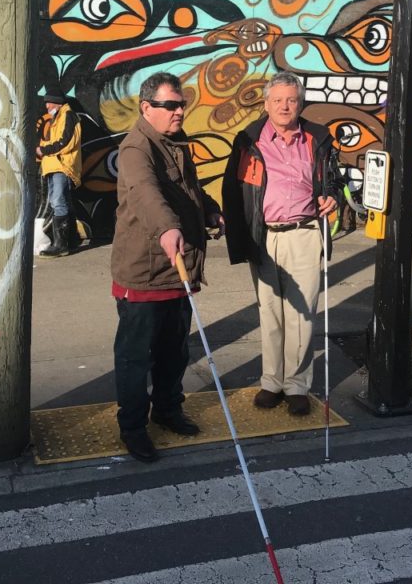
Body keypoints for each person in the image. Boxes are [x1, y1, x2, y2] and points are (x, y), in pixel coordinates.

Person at [110, 72, 224, 462]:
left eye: (181, 104)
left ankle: (168, 409)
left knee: (174, 350)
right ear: (147, 108)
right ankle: (133, 427)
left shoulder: (176, 143)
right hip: (144, 270)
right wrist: (167, 229)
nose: (179, 111)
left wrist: (208, 208)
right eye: (171, 106)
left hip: (179, 269)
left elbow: (187, 188)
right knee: (135, 355)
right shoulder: (136, 148)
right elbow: (146, 193)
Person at [222, 71, 337, 417]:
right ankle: (272, 382)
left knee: (302, 317)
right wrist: (239, 237)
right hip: (265, 235)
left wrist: (331, 197)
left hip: (304, 233)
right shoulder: (248, 140)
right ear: (266, 103)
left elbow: (333, 179)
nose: (285, 107)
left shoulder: (318, 138)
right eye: (278, 100)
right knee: (270, 311)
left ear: (300, 103)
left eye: (291, 100)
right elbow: (232, 188)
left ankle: (297, 385)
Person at [35, 84, 82, 257]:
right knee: (64, 202)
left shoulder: (68, 116)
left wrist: (44, 149)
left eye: (49, 103)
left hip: (62, 166)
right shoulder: (61, 116)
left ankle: (61, 245)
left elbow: (65, 142)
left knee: (58, 202)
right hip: (56, 165)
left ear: (58, 103)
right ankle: (71, 241)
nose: (47, 106)